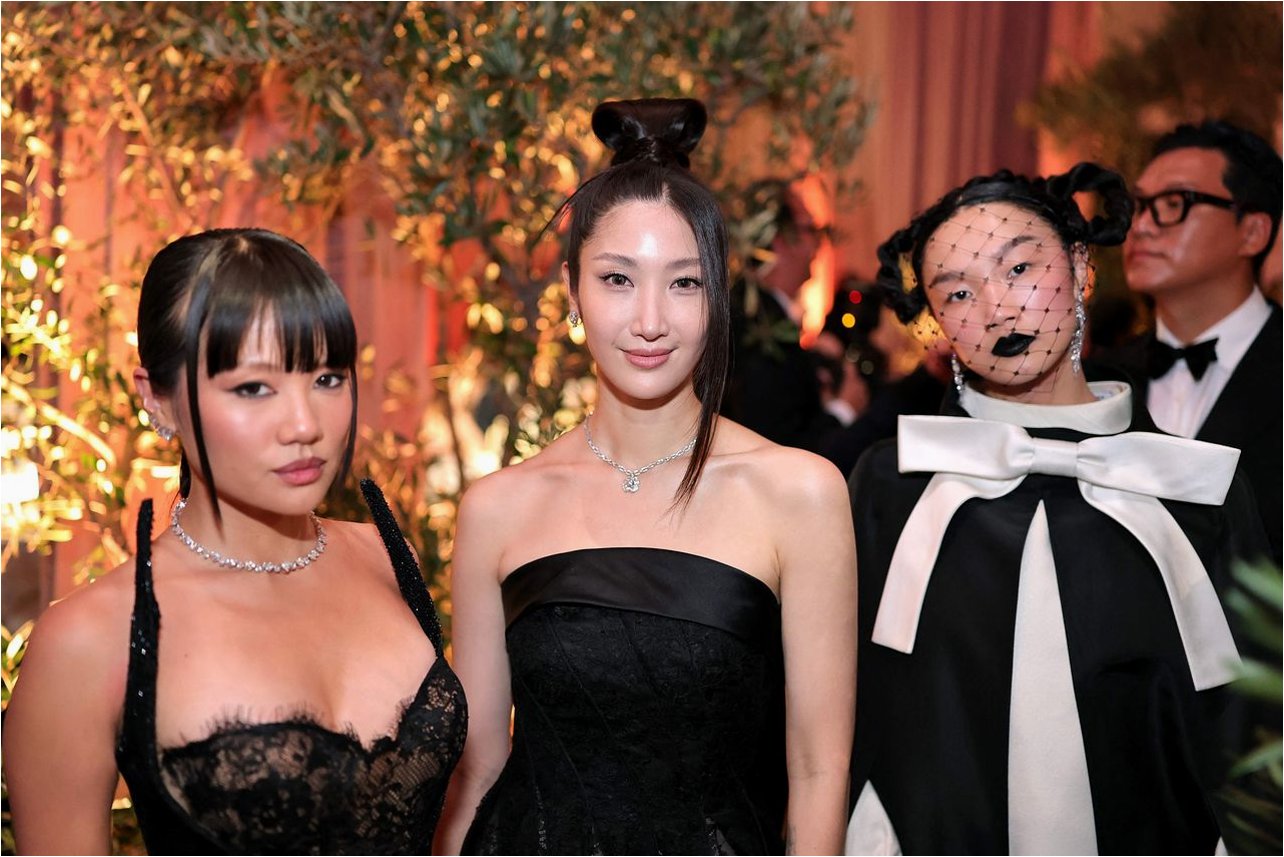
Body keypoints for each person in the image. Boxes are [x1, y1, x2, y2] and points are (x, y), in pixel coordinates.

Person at [437, 99, 856, 855]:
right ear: (572, 293)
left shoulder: (800, 492)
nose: (650, 320)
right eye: (618, 279)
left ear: (718, 296)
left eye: (685, 283)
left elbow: (819, 770)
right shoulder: (497, 507)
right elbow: (479, 769)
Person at [845, 165, 1268, 854]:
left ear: (1080, 268)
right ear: (937, 321)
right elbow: (850, 705)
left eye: (1018, 268)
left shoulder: (1196, 487)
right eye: (958, 291)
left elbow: (1251, 718)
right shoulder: (892, 484)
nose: (997, 309)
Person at [2, 229, 466, 854]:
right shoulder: (91, 637)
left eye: (328, 378)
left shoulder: (387, 556)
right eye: (253, 388)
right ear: (158, 399)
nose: (304, 425)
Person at [1104, 120, 1282, 562]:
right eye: (1137, 206)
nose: (1141, 227)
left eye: (1173, 203)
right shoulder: (1100, 378)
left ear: (1252, 232)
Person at [723, 180, 842, 451]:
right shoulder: (757, 328)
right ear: (779, 239)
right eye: (810, 230)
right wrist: (842, 411)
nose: (818, 244)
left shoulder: (751, 311)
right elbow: (776, 441)